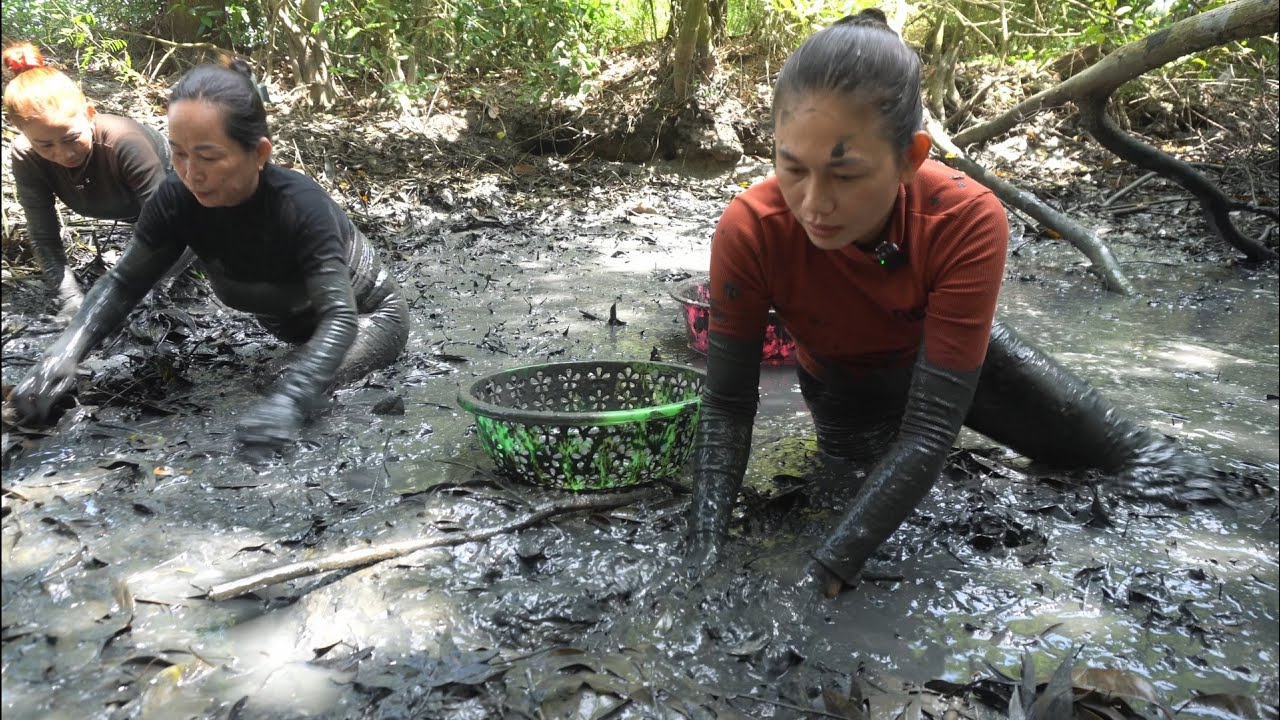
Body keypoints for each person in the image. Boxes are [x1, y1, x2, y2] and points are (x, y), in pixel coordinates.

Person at [685, 10, 1222, 597]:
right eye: (793, 168)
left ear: (912, 157)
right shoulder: (751, 228)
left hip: (966, 368)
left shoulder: (965, 216)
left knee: (1136, 459)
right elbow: (728, 407)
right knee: (861, 511)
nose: (814, 203)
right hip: (847, 388)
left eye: (845, 175)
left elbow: (932, 426)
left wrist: (825, 574)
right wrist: (703, 556)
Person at [9, 58, 411, 452]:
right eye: (179, 154)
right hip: (295, 324)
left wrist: (293, 397)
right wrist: (63, 353)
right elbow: (123, 283)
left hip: (370, 318)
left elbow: (339, 317)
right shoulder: (176, 199)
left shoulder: (301, 205)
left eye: (208, 157)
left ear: (258, 153)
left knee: (279, 382)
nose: (190, 173)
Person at [2, 43, 184, 319]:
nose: (63, 154)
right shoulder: (26, 154)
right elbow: (43, 235)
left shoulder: (124, 142)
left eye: (71, 138)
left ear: (89, 114)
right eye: (45, 145)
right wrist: (69, 298)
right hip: (118, 201)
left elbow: (163, 227)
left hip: (177, 194)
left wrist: (139, 284)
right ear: (24, 134)